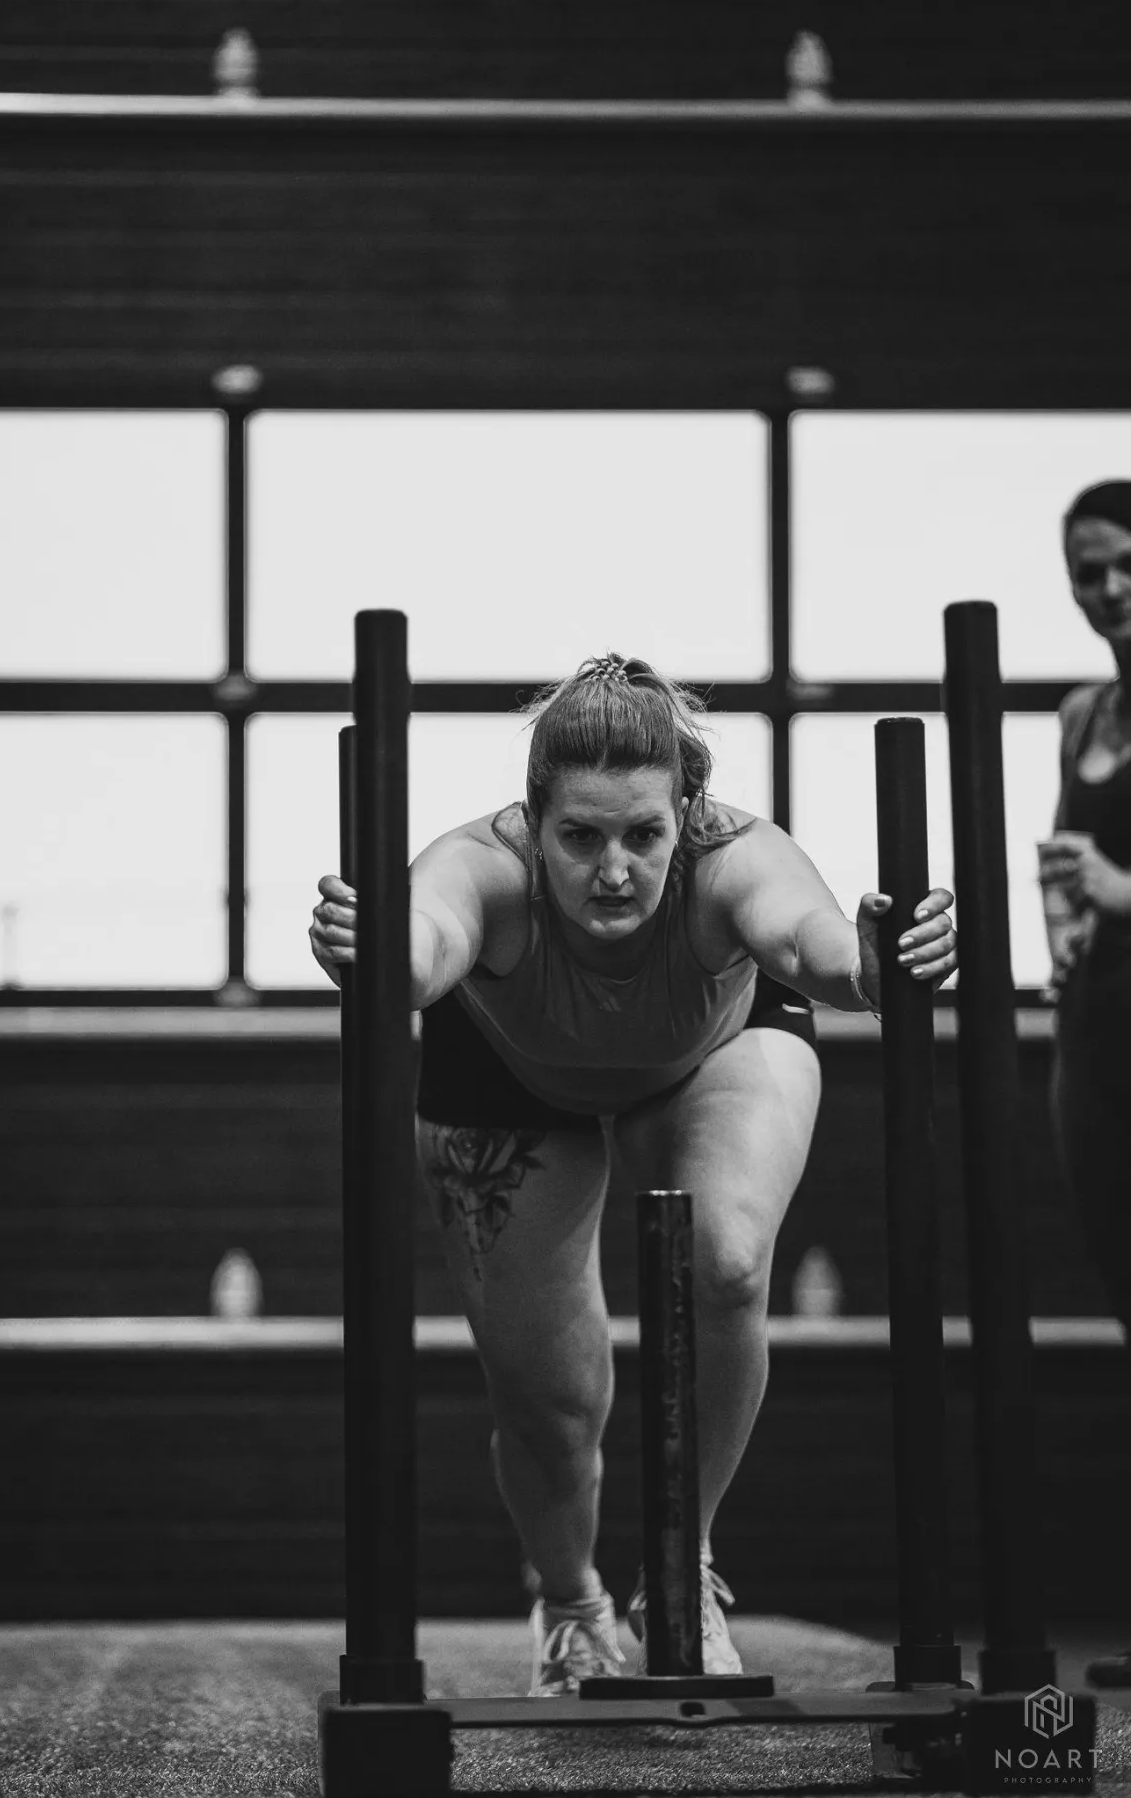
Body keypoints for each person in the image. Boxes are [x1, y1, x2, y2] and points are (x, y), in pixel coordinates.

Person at [310, 654, 956, 1697]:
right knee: (550, 1405)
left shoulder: (734, 860)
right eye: (580, 838)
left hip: (711, 1054)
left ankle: (679, 1569)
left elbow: (816, 945)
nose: (613, 871)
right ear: (534, 823)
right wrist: (375, 950)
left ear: (684, 818)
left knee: (727, 1260)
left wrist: (871, 964)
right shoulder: (482, 866)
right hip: (509, 1079)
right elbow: (421, 944)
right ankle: (571, 1604)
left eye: (643, 837)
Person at [1040, 482, 1131, 1689]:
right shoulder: (1080, 715)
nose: (1108, 590)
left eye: (1126, 565)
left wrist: (1118, 887)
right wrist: (1066, 914)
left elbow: (1110, 872)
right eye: (1088, 569)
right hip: (1095, 1034)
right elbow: (1073, 868)